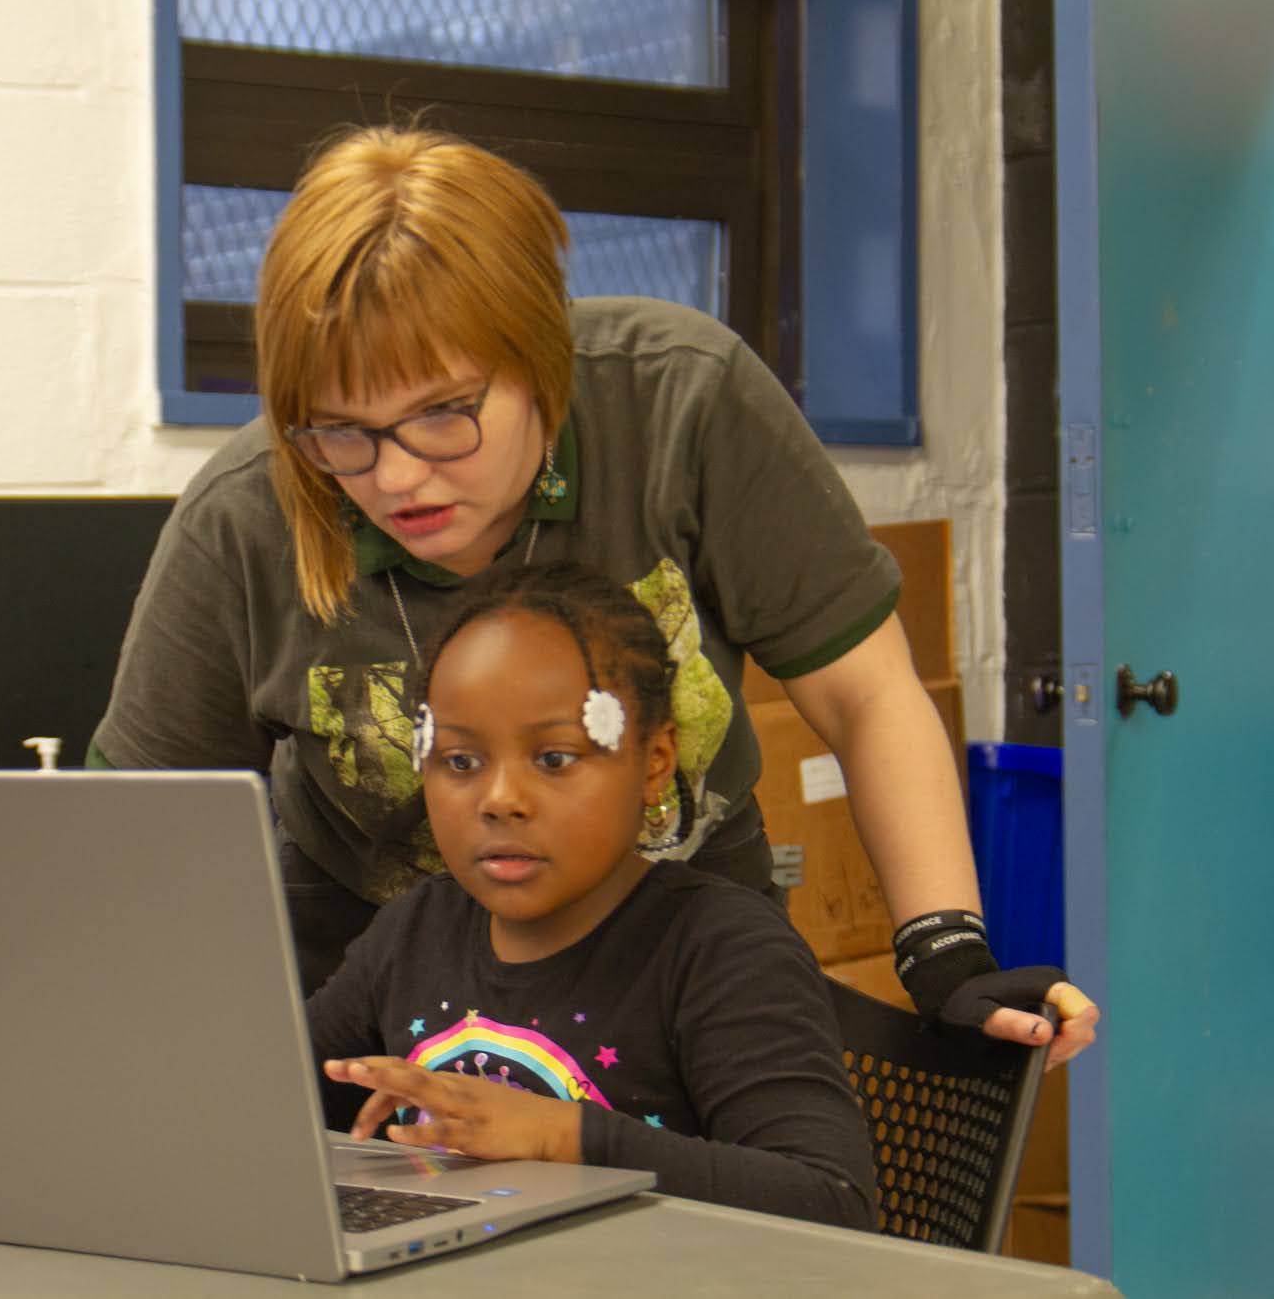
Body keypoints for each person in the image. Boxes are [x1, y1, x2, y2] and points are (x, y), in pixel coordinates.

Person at [93, 123, 1098, 1068]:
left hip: (685, 970)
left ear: (541, 360)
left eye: (442, 416)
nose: (395, 476)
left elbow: (866, 697)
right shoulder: (247, 512)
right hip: (375, 1003)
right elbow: (139, 840)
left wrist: (942, 951)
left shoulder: (682, 403)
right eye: (339, 430)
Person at [310, 561, 878, 1228]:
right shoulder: (414, 930)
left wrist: (564, 1136)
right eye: (461, 761)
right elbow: (264, 1091)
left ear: (654, 761)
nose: (500, 800)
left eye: (554, 758)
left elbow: (831, 1199)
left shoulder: (722, 949)